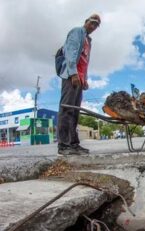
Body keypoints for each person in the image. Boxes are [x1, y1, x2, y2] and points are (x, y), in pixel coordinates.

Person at [57, 14, 101, 155]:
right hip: (71, 76)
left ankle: (74, 144)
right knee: (67, 110)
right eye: (92, 23)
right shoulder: (77, 32)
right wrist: (73, 73)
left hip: (80, 79)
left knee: (75, 112)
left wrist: (85, 79)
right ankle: (63, 146)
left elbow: (84, 62)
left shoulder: (88, 40)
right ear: (86, 21)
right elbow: (71, 52)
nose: (93, 26)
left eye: (96, 25)